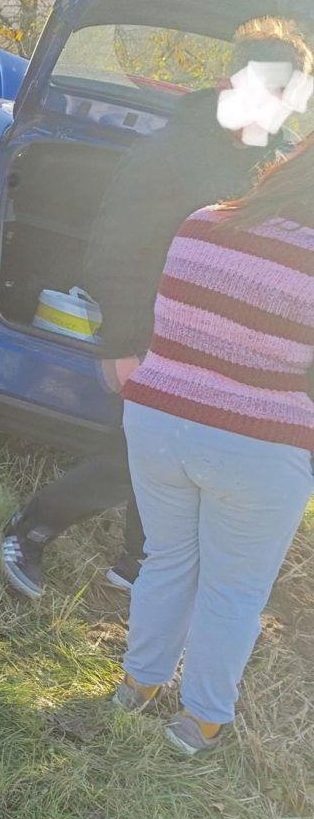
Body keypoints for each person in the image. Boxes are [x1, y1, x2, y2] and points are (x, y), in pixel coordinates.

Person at [0, 18, 313, 600]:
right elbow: (113, 252)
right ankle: (30, 529)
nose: (281, 110)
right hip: (149, 330)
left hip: (226, 339)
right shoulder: (167, 153)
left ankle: (136, 566)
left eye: (291, 97)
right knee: (138, 453)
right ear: (234, 81)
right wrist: (120, 343)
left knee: (179, 459)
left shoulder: (275, 167)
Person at [112, 114, 314, 756]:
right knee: (235, 588)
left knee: (166, 558)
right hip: (256, 440)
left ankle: (136, 686)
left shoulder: (203, 221)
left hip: (158, 419)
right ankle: (200, 720)